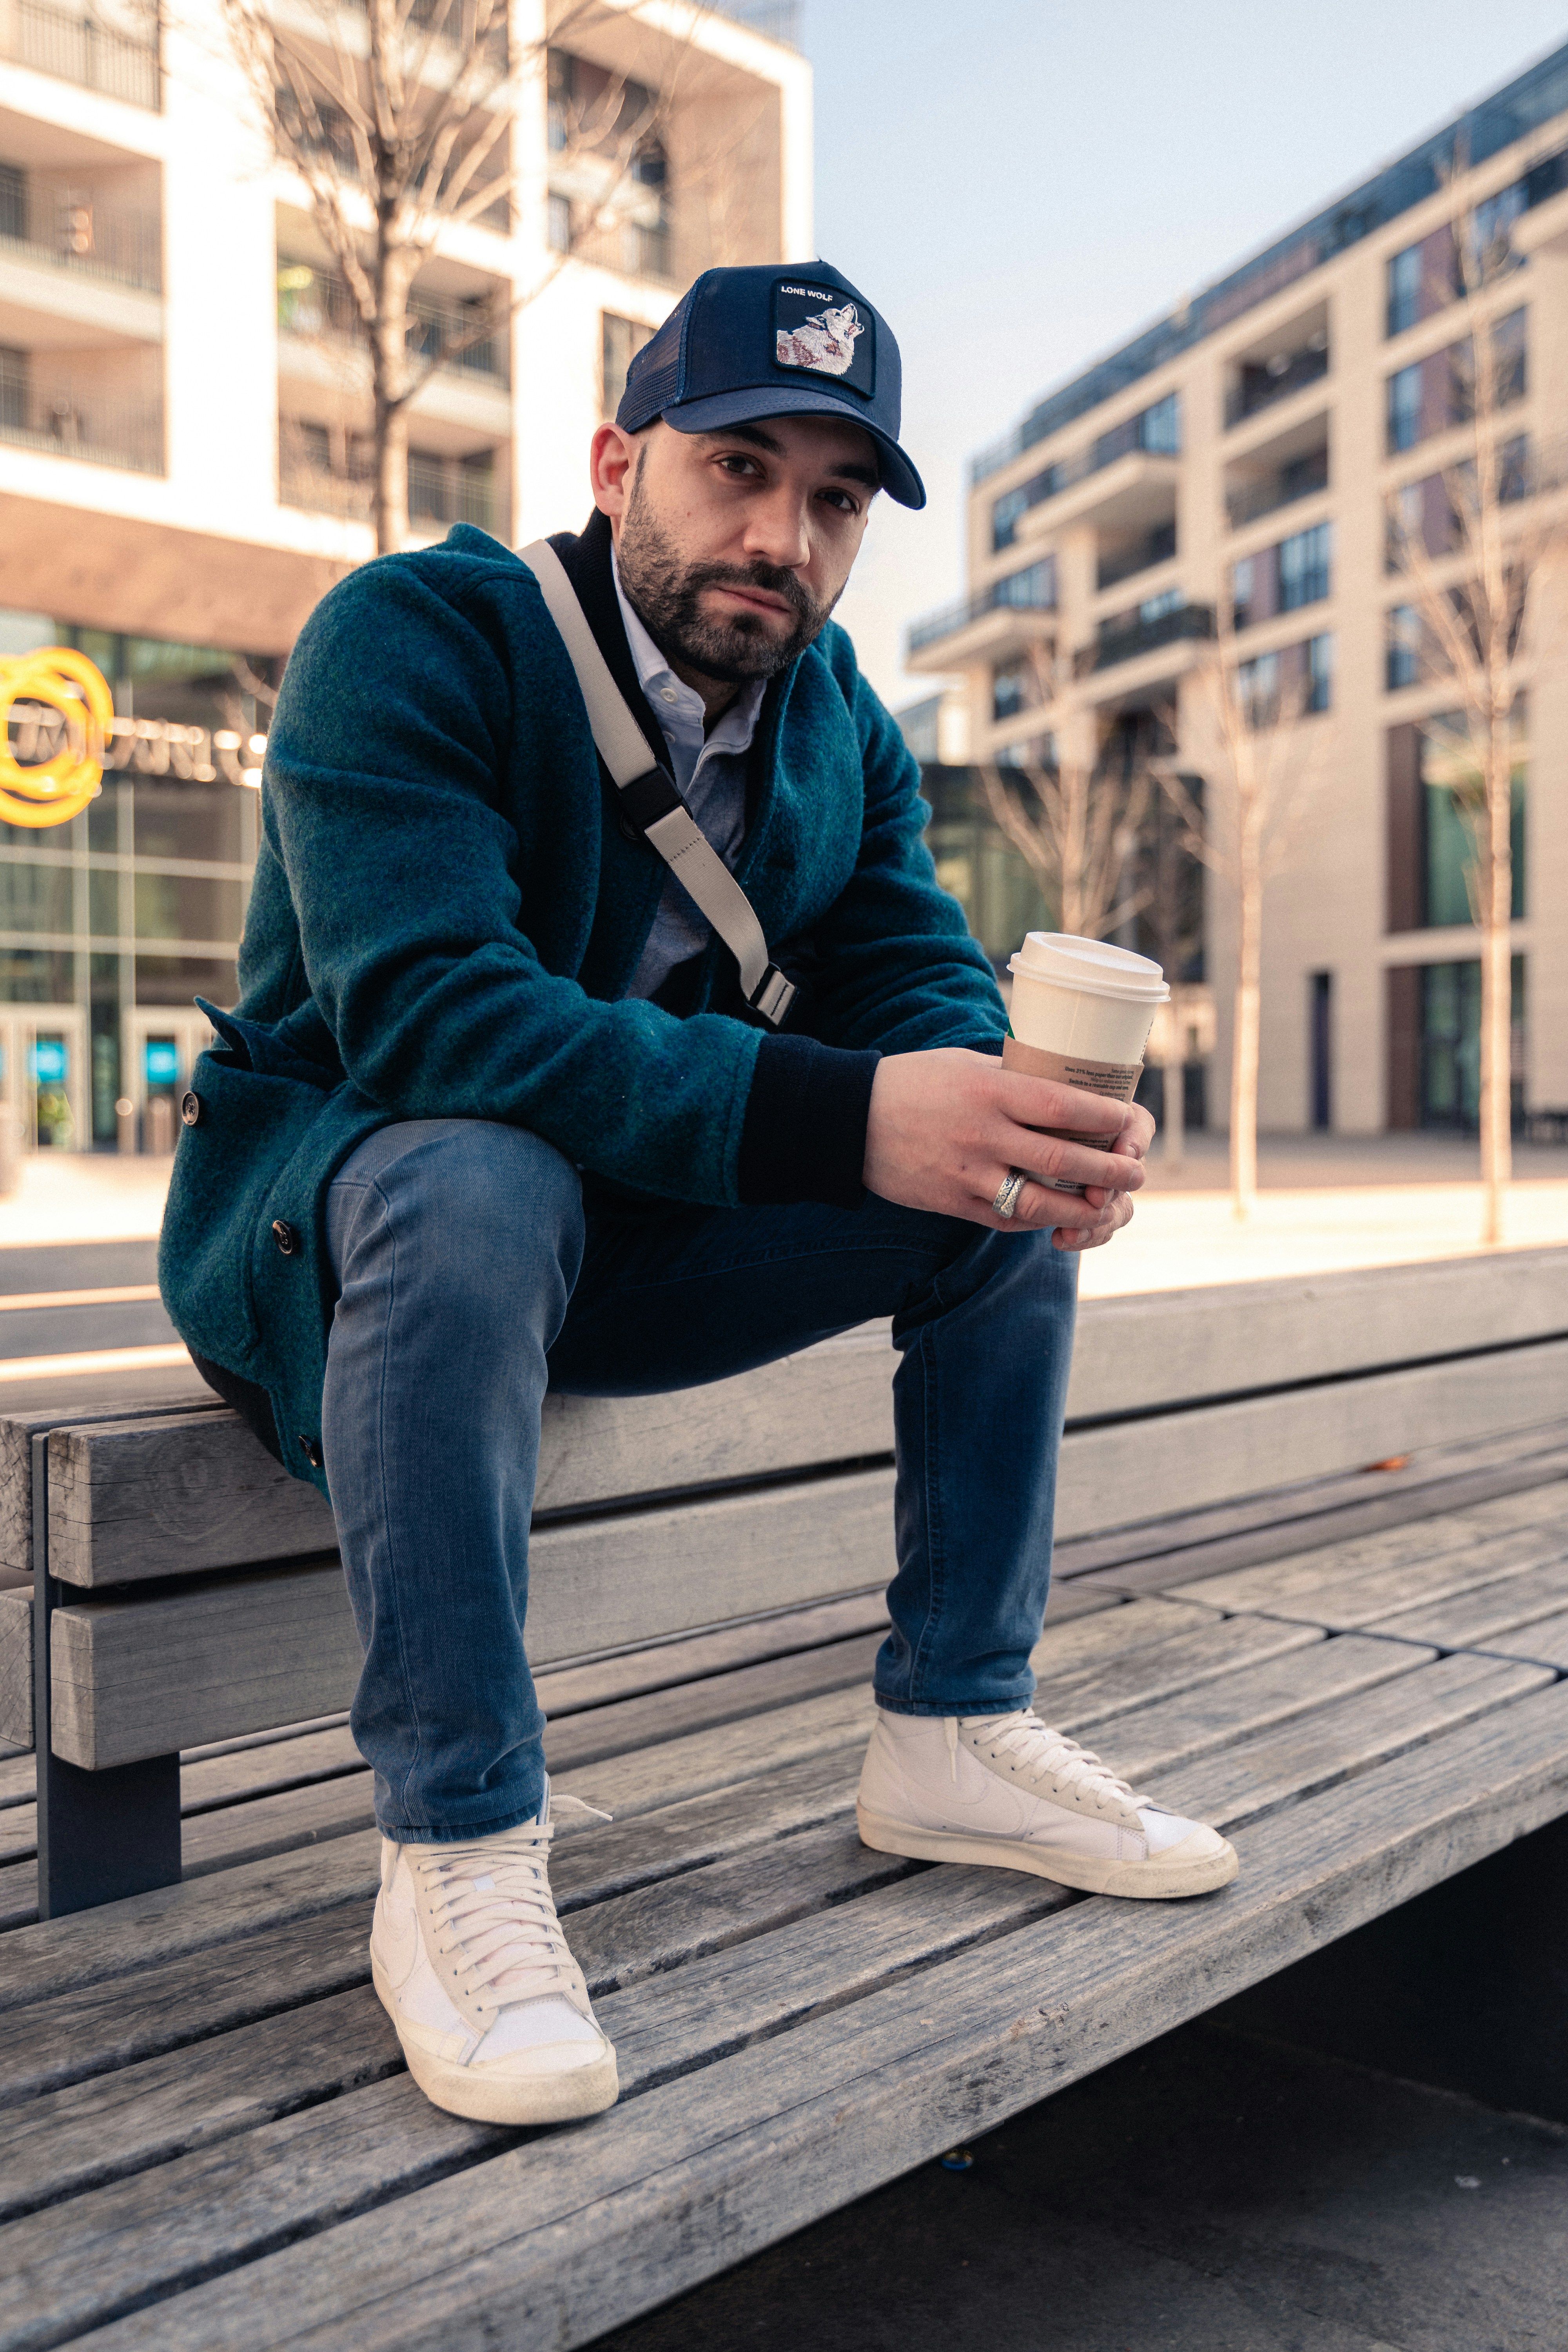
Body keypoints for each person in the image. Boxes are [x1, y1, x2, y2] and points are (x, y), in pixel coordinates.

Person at [160, 262, 1237, 2133]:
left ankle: (953, 1724)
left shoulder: (838, 723)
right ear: (615, 461)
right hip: (349, 1242)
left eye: (832, 500)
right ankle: (461, 1843)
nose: (781, 535)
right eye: (738, 464)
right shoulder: (414, 635)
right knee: (473, 1166)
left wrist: (1010, 1112)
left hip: (617, 1248)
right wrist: (843, 1120)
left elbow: (911, 975)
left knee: (998, 1172)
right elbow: (429, 1013)